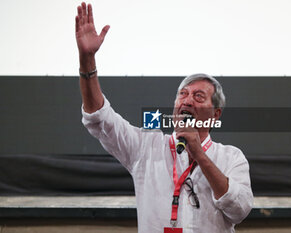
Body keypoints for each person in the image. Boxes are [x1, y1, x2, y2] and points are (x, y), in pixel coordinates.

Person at [75, 2, 253, 233]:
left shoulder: (232, 158)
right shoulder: (145, 148)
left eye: (198, 96)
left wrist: (199, 154)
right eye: (182, 95)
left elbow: (239, 210)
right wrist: (87, 60)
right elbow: (99, 119)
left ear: (215, 113)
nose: (187, 101)